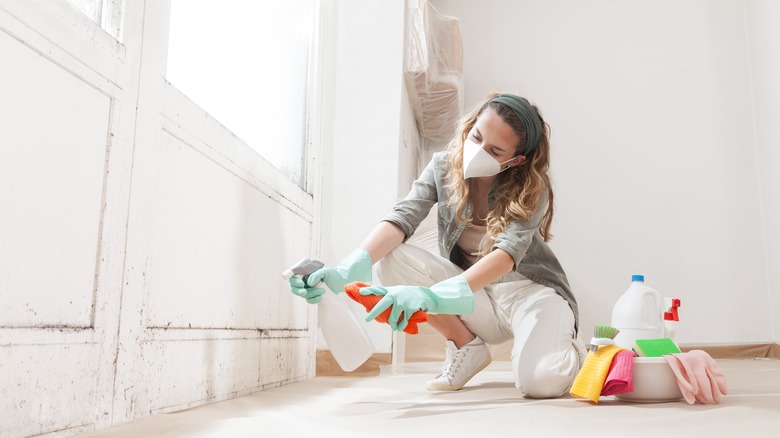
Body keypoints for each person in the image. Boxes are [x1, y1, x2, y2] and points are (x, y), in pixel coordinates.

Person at [288, 92, 585, 398]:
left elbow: (506, 256)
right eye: (477, 136)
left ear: (516, 160)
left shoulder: (531, 189)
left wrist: (430, 297)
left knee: (539, 383)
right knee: (394, 259)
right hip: (479, 296)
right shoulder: (443, 167)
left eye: (495, 151)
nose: (478, 151)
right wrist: (347, 269)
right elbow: (403, 217)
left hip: (529, 294)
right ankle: (465, 347)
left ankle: (574, 353)